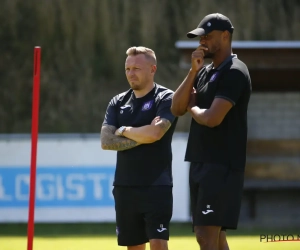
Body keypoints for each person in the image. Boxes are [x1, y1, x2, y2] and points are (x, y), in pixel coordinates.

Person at [171, 13, 252, 250]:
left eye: (207, 36)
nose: (202, 42)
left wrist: (193, 106)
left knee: (205, 236)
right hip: (200, 162)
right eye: (200, 37)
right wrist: (192, 72)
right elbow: (176, 108)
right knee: (214, 238)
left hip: (222, 165)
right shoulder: (205, 71)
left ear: (225, 36)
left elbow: (212, 118)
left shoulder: (235, 71)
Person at [100, 46, 178, 250]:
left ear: (153, 69)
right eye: (127, 69)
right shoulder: (117, 102)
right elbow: (107, 141)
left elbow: (156, 133)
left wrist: (123, 129)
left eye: (136, 68)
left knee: (158, 245)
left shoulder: (166, 98)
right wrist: (143, 134)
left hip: (157, 186)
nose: (130, 74)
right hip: (125, 187)